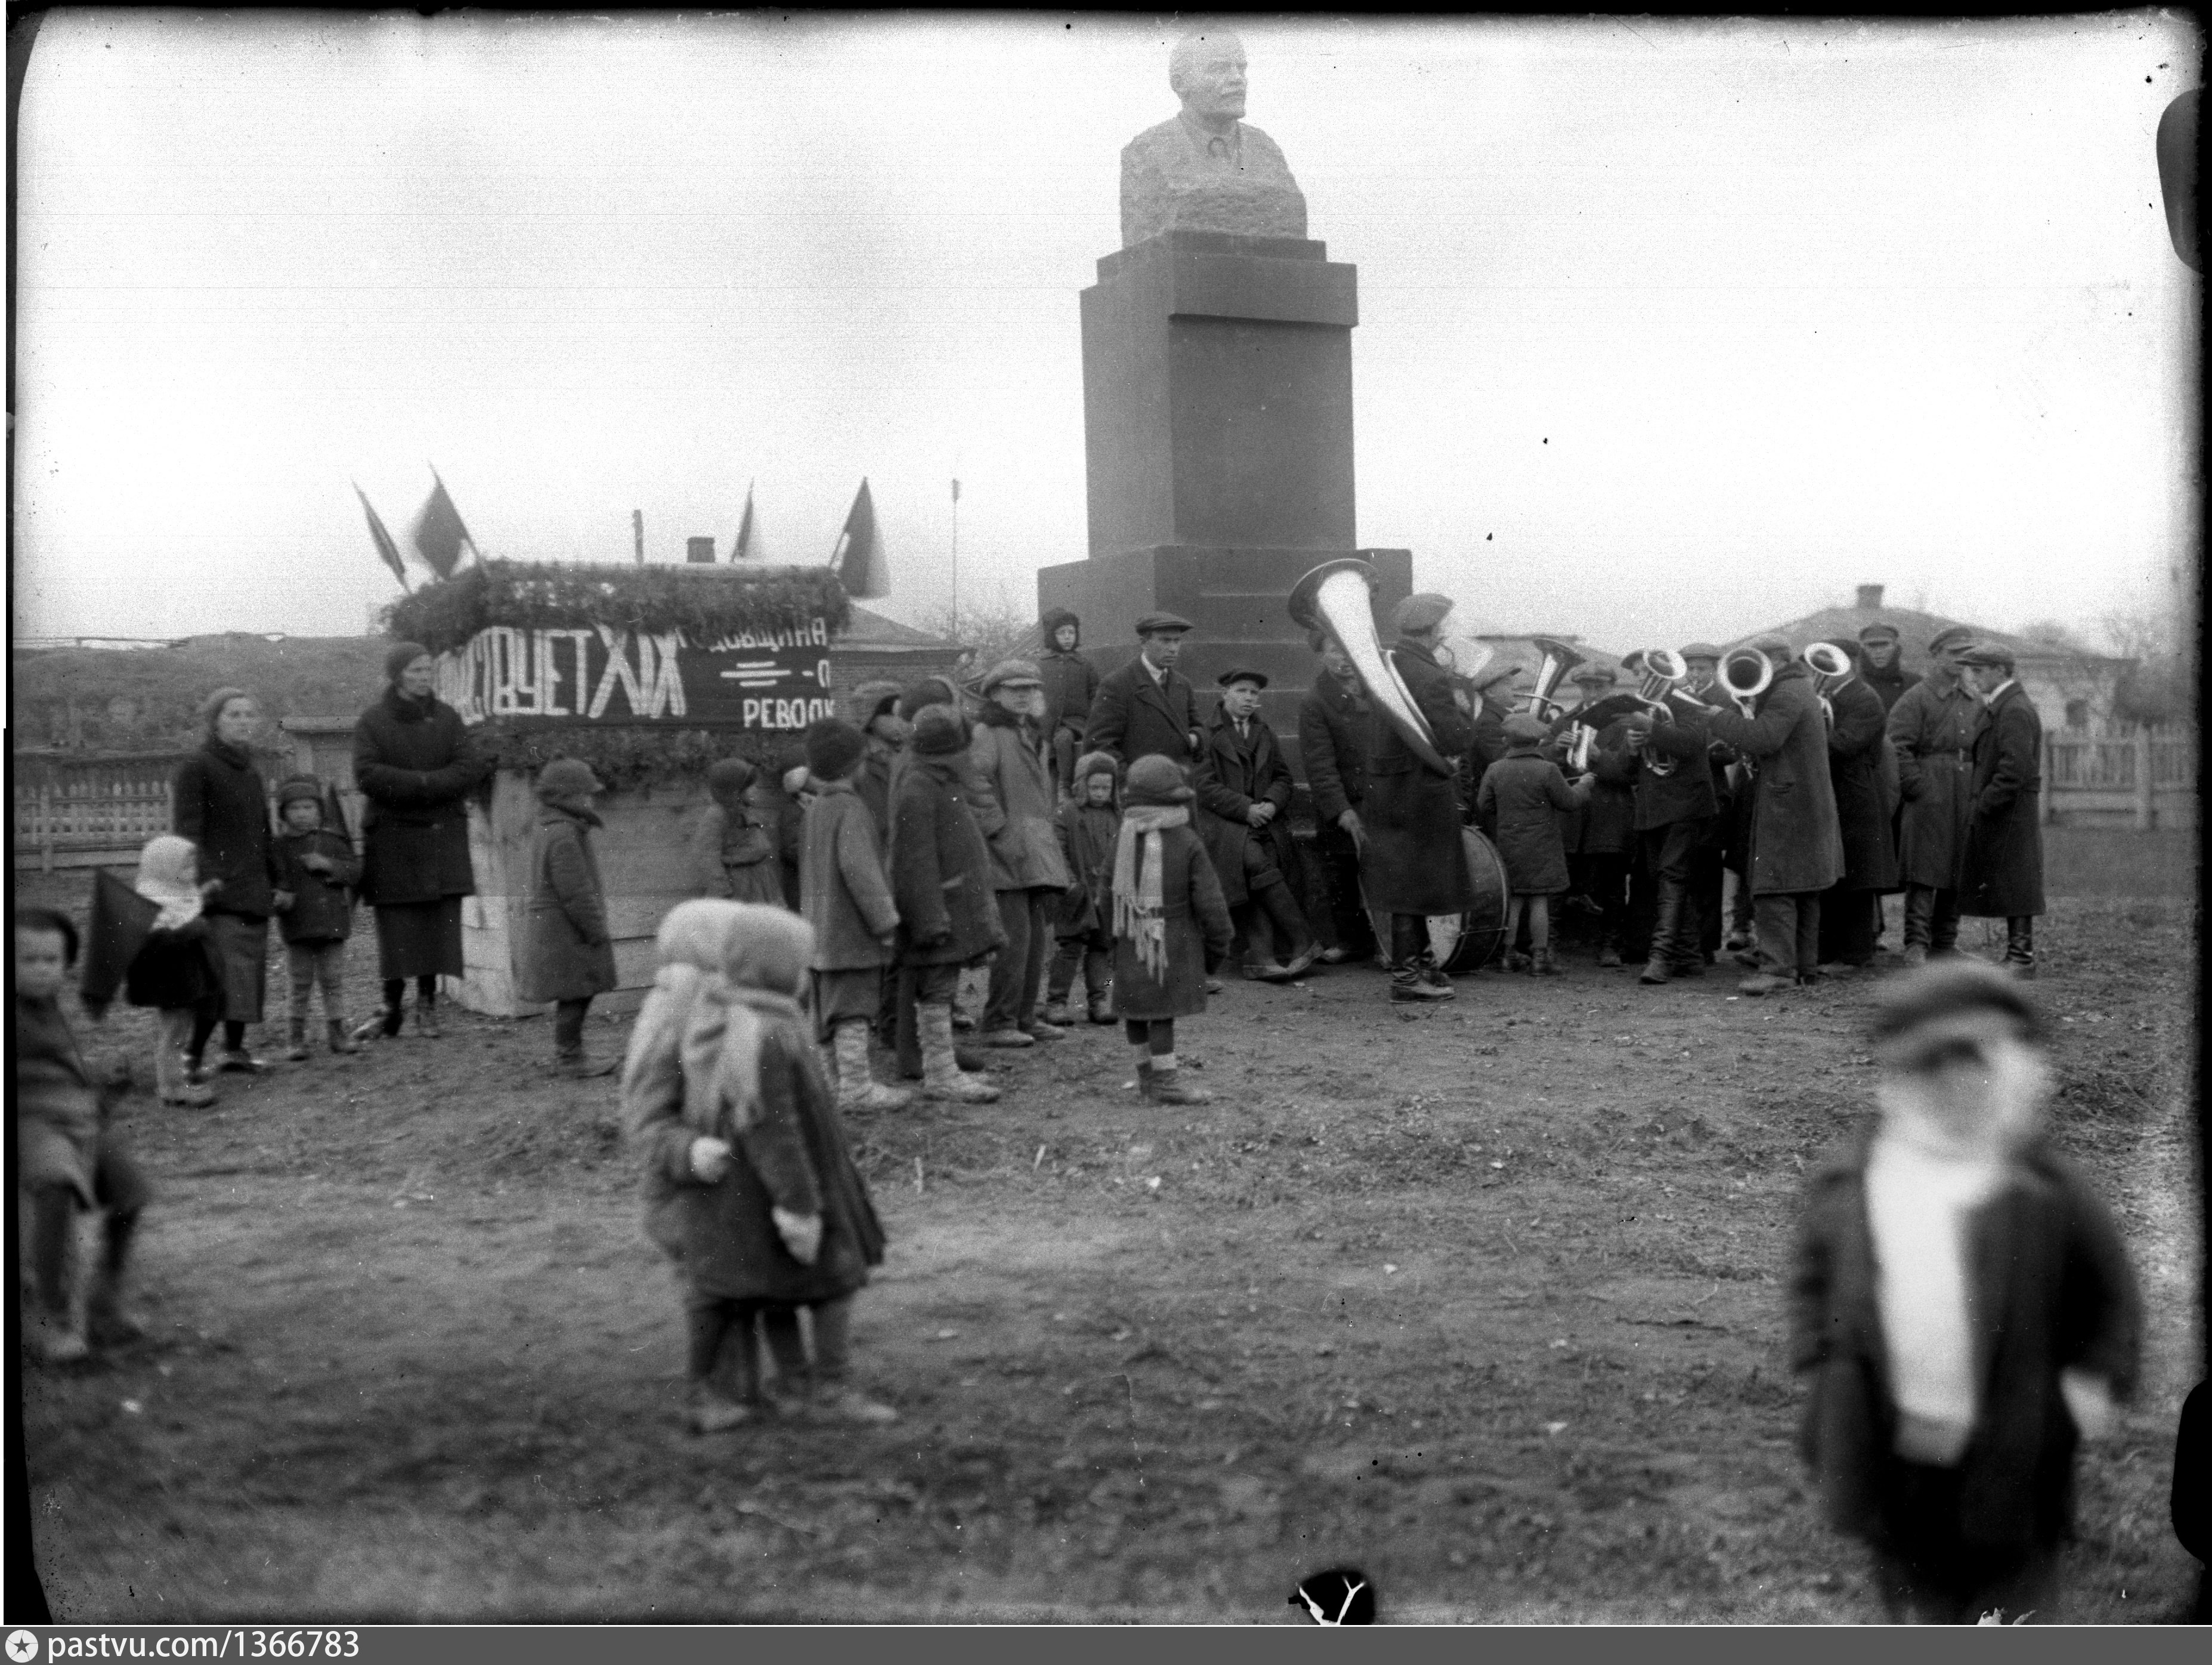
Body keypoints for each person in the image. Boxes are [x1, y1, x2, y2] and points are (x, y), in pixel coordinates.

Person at [1788, 960, 2141, 1622]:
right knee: (1911, 1576)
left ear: (2011, 1079)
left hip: (2010, 1433)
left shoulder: (2046, 1193)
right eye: (1929, 1070)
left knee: (2011, 1583)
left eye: (1976, 1068)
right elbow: (1812, 1275)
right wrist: (1818, 1354)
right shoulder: (1850, 1184)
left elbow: (2109, 1289)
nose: (1954, 1088)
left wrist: (2096, 1372)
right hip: (1886, 1431)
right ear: (1895, 1081)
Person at [623, 901, 894, 1432]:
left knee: (763, 1289)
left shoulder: (735, 1011)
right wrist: (691, 1153)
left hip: (741, 1185)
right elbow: (655, 1122)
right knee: (730, 1294)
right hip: (700, 1188)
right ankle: (736, 1391)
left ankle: (771, 1387)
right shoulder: (687, 1013)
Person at [18, 906, 154, 1364]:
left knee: (131, 1191)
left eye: (51, 960)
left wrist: (104, 1085)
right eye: (26, 959)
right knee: (55, 1187)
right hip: (27, 1122)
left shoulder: (51, 1007)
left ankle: (105, 1301)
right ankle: (54, 1320)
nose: (41, 970)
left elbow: (64, 1072)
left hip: (78, 1119)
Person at [352, 643, 492, 1040]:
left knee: (435, 924)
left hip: (439, 836)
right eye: (415, 670)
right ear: (397, 675)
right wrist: (426, 784)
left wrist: (430, 784)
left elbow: (468, 767)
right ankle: (391, 1005)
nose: (424, 677)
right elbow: (366, 774)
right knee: (397, 926)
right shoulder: (373, 722)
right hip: (393, 839)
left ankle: (427, 1006)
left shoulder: (448, 719)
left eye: (428, 669)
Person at [1699, 638, 1844, 996]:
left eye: (1760, 662)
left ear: (1778, 661)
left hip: (1787, 804)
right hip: (1803, 801)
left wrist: (1720, 718)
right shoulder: (1798, 688)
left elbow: (1765, 739)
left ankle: (1778, 970)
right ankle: (1804, 968)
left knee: (1775, 886)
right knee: (1805, 888)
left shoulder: (1787, 692)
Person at [889, 703, 1007, 1103]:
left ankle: (942, 1069)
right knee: (936, 994)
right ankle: (941, 1074)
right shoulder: (920, 788)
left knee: (941, 990)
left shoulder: (938, 782)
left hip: (949, 907)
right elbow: (914, 862)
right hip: (937, 912)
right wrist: (929, 919)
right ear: (949, 750)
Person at [1362, 594, 1478, 1001]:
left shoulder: (1387, 667)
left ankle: (1422, 966)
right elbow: (1455, 737)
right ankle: (1407, 977)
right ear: (1431, 631)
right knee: (1418, 886)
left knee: (1408, 883)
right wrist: (1466, 708)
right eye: (1442, 626)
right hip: (1421, 791)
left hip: (1389, 790)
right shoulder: (1431, 677)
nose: (1444, 632)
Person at [797, 717, 911, 1114]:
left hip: (818, 933)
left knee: (827, 1012)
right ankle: (858, 1087)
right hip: (850, 931)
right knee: (853, 1009)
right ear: (855, 764)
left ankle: (833, 1084)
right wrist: (885, 921)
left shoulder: (814, 810)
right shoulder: (851, 809)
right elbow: (860, 870)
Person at [172, 687, 288, 1073]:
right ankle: (192, 1057)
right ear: (215, 721)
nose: (243, 721)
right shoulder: (198, 766)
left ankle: (234, 1051)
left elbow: (263, 832)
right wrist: (207, 880)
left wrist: (279, 879)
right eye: (233, 714)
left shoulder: (251, 771)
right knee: (222, 976)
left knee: (249, 974)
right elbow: (188, 833)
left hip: (253, 889)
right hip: (219, 893)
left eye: (249, 714)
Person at [1108, 755, 1235, 1105]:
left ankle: (1146, 1078)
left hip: (1129, 936)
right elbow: (1211, 903)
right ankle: (1166, 1083)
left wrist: (1109, 941)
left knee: (1136, 1011)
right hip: (1173, 940)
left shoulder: (1122, 837)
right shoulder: (1187, 840)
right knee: (1162, 1013)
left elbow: (1105, 893)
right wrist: (1218, 946)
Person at [967, 660, 1073, 1048]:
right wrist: (998, 829)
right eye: (1014, 688)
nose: (1024, 693)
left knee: (1034, 942)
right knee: (1014, 941)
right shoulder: (988, 733)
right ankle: (998, 1021)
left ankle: (1025, 1017)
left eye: (1030, 687)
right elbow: (974, 782)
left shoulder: (1029, 732)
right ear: (994, 693)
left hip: (1033, 853)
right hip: (1005, 853)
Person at [1195, 668, 1319, 981]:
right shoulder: (1206, 735)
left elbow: (1283, 778)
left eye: (1254, 693)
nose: (1249, 698)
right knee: (1252, 861)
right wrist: (1246, 809)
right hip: (1222, 824)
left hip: (1263, 821)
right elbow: (1203, 787)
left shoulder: (1264, 733)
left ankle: (1261, 957)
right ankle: (1303, 938)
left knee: (1265, 860)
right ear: (1224, 694)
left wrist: (1270, 804)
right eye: (1241, 691)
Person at [515, 758, 620, 1078]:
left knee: (577, 992)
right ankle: (570, 1058)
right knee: (578, 991)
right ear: (568, 798)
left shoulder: (553, 828)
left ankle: (570, 1054)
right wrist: (595, 929)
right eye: (585, 795)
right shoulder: (564, 835)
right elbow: (575, 893)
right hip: (566, 930)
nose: (591, 801)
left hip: (559, 929)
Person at [1885, 628, 1984, 967]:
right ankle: (1916, 944)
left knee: (1959, 865)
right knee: (1924, 868)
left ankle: (1945, 942)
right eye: (1954, 652)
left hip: (1966, 789)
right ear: (1936, 656)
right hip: (1930, 788)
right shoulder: (1916, 698)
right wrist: (1918, 787)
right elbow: (1896, 747)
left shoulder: (1975, 699)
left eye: (1967, 653)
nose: (1962, 660)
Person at [1601, 703, 1719, 986]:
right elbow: (1627, 772)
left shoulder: (1686, 704)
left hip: (1685, 806)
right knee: (1668, 880)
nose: (1646, 678)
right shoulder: (1642, 713)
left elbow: (1691, 744)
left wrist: (1651, 729)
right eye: (1642, 673)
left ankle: (1661, 957)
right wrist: (1630, 748)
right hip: (1652, 810)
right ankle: (1690, 957)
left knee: (1672, 877)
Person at [1477, 713, 1594, 977]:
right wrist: (1584, 786)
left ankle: (1507, 957)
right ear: (1538, 740)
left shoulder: (1495, 769)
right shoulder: (1548, 770)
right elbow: (1570, 803)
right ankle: (1540, 960)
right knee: (1540, 900)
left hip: (1509, 843)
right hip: (1542, 845)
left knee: (1515, 899)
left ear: (1508, 740)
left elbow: (1485, 806)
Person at [1956, 645, 2046, 977]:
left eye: (1979, 671)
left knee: (2017, 880)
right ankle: (2018, 955)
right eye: (1971, 671)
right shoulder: (2002, 706)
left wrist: (1986, 803)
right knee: (2012, 879)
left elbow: (2015, 768)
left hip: (2011, 809)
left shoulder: (2014, 709)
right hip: (2006, 806)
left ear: (2000, 670)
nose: (1973, 677)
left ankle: (2021, 958)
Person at [120, 835, 226, 1106]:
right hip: (169, 979)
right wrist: (194, 929)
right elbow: (156, 940)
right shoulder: (151, 900)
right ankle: (172, 1088)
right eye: (185, 869)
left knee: (179, 1030)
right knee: (173, 1034)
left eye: (193, 867)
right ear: (163, 869)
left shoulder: (176, 894)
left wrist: (204, 898)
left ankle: (175, 1080)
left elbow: (186, 909)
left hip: (183, 977)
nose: (192, 874)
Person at [1297, 629, 1380, 968]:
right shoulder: (1316, 702)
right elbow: (1320, 765)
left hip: (1382, 798)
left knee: (1384, 872)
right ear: (1321, 655)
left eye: (1350, 649)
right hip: (1345, 802)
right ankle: (1350, 940)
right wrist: (1341, 810)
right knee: (1343, 871)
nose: (1344, 657)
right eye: (1335, 650)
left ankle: (1387, 944)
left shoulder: (1377, 689)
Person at [1815, 641, 1899, 973]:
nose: (1822, 673)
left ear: (1851, 663)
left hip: (1857, 792)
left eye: (1831, 664)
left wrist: (1805, 737)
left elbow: (1845, 744)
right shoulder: (1832, 698)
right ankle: (1830, 952)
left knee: (1857, 879)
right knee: (1836, 875)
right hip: (1837, 792)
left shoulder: (1865, 699)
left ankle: (1854, 956)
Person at [270, 777, 363, 1060]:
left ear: (319, 810)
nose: (302, 813)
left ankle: (338, 1034)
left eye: (309, 807)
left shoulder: (333, 842)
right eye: (295, 808)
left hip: (333, 923)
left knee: (333, 980)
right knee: (299, 983)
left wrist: (328, 865)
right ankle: (295, 1038)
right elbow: (273, 880)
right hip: (297, 925)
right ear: (284, 813)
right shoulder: (279, 847)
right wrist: (280, 895)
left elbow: (355, 872)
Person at [1552, 663, 1638, 968]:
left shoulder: (1626, 723)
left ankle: (1610, 944)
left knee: (1612, 883)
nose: (1592, 693)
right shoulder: (1566, 720)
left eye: (1599, 687)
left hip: (1609, 815)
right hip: (1574, 815)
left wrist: (1600, 758)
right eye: (1586, 687)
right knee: (1564, 880)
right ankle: (1554, 944)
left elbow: (1631, 775)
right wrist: (1555, 748)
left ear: (1611, 688)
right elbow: (1549, 770)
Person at [1044, 750, 1122, 1026]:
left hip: (1106, 895)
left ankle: (1100, 999)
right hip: (1075, 894)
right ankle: (1056, 1002)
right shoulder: (1067, 813)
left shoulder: (1118, 817)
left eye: (1106, 788)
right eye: (1094, 787)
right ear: (1081, 785)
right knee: (1070, 948)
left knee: (1101, 949)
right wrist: (1068, 882)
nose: (1100, 793)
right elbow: (1057, 850)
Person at [1084, 613, 1204, 771]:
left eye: (1177, 641)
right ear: (1144, 643)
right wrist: (1130, 783)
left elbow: (1198, 727)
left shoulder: (1183, 684)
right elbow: (1099, 744)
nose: (1173, 649)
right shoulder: (1117, 685)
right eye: (1165, 640)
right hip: (1140, 791)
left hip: (1179, 787)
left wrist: (1195, 738)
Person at [1678, 643, 1733, 965]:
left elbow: (1733, 751)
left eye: (1703, 669)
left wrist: (1705, 751)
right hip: (1686, 794)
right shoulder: (1678, 696)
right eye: (1692, 669)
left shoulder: (1726, 700)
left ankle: (1707, 943)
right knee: (1686, 869)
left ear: (1714, 670)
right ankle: (1687, 941)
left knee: (1708, 874)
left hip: (1713, 793)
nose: (1697, 675)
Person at [688, 756, 785, 906]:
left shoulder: (744, 809)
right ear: (734, 791)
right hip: (739, 886)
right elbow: (707, 854)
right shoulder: (717, 815)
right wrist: (721, 889)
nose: (757, 789)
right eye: (750, 786)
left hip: (760, 880)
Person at [1037, 610, 1099, 796]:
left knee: (1064, 739)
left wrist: (1092, 718)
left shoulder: (1084, 665)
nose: (1067, 638)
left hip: (1076, 723)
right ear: (1052, 636)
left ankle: (1067, 784)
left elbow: (1096, 693)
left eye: (1071, 633)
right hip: (1046, 724)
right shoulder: (1041, 664)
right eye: (1061, 633)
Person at [847, 681, 909, 835]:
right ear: (871, 718)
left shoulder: (908, 755)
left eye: (902, 714)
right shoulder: (860, 761)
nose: (899, 722)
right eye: (889, 715)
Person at [1858, 621, 1922, 715]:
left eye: (1885, 645)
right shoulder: (1855, 684)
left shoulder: (1915, 683)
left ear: (1895, 647)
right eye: (1872, 646)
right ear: (1863, 649)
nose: (1879, 651)